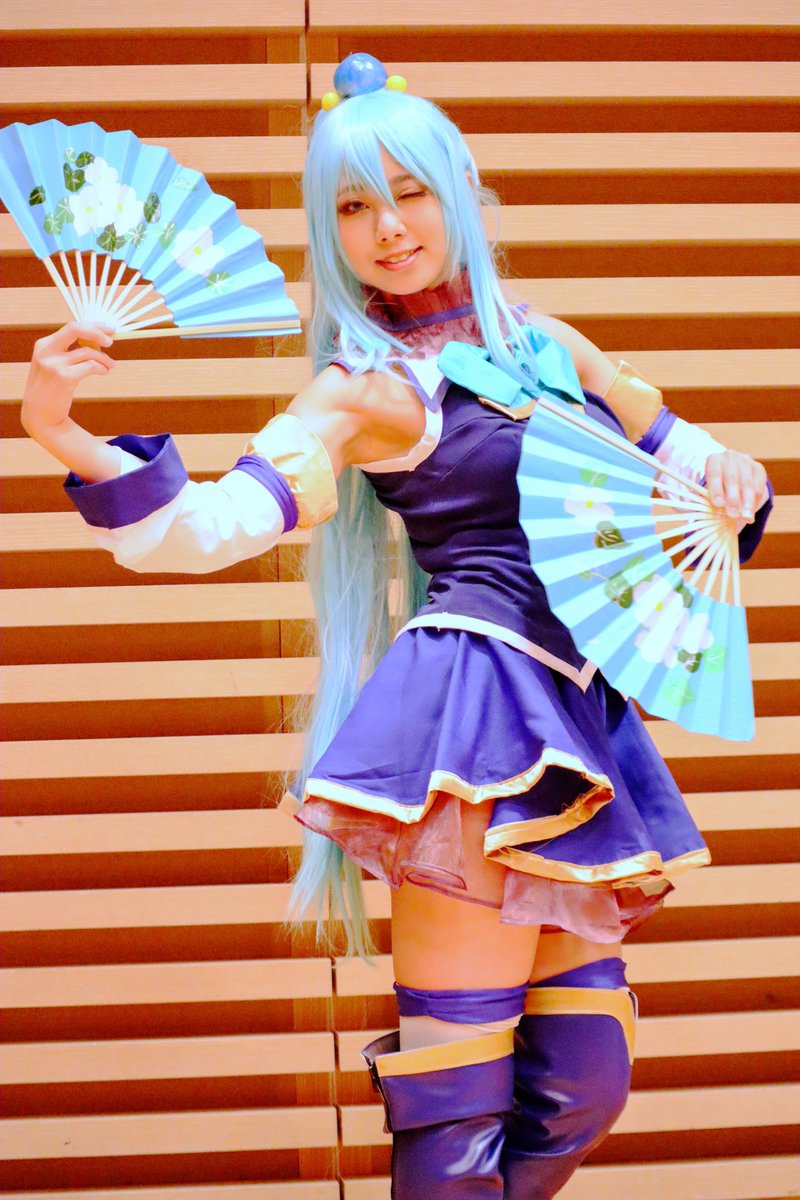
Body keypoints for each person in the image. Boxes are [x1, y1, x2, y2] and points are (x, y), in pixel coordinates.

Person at [21, 53, 771, 1199]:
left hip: (576, 718)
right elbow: (210, 525)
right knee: (458, 1107)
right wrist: (64, 432)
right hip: (471, 720)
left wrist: (733, 477)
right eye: (352, 207)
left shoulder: (549, 346)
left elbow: (697, 473)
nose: (387, 227)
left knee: (584, 1080)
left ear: (462, 188)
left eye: (409, 191)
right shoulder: (363, 389)